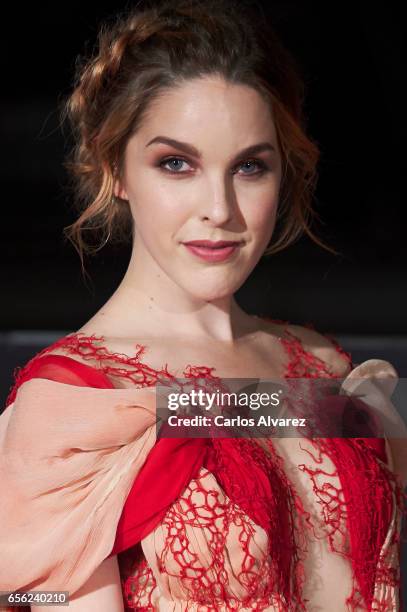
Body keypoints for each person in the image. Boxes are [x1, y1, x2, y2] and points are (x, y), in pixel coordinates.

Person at [0, 0, 406, 610]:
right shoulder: (78, 406)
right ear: (116, 169)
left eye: (248, 167)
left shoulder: (319, 366)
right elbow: (37, 598)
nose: (219, 208)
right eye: (176, 164)